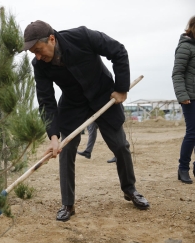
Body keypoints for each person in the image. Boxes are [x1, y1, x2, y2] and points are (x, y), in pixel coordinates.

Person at [22, 20, 150, 221]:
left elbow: (118, 51)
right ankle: (68, 204)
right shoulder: (39, 65)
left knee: (120, 146)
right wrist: (53, 135)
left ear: (52, 39)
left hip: (103, 95)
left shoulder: (82, 37)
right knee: (66, 149)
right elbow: (46, 100)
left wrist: (122, 88)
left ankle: (130, 189)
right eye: (34, 53)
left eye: (39, 50)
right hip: (73, 104)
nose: (38, 56)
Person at [172, 16, 195, 184]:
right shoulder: (186, 46)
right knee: (192, 133)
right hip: (190, 97)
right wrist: (183, 96)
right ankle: (183, 169)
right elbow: (177, 73)